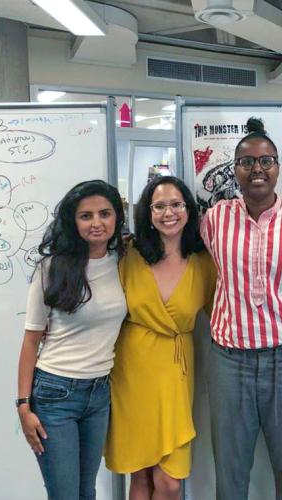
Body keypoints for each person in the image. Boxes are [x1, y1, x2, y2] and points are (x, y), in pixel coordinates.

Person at [200, 117, 282, 500]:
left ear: (278, 167)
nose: (257, 169)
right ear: (235, 169)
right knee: (230, 469)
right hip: (229, 361)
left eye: (266, 161)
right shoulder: (213, 219)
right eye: (247, 162)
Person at [104, 176, 216, 500]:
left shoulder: (204, 261)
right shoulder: (128, 255)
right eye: (159, 206)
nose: (169, 212)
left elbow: (222, 314)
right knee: (139, 475)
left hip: (176, 374)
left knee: (169, 483)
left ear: (188, 210)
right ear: (148, 213)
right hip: (131, 372)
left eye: (176, 204)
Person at [17, 180, 127, 500]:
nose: (96, 223)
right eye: (86, 216)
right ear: (73, 221)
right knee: (65, 494)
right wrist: (24, 406)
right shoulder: (52, 267)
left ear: (117, 218)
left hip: (99, 393)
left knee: (86, 491)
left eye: (105, 214)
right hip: (55, 394)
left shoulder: (123, 261)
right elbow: (30, 341)